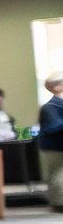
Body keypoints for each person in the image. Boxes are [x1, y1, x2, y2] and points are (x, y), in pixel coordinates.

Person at [40, 74, 63, 211]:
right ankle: (58, 203)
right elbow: (54, 126)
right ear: (57, 86)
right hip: (55, 147)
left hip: (59, 145)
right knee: (57, 174)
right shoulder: (50, 107)